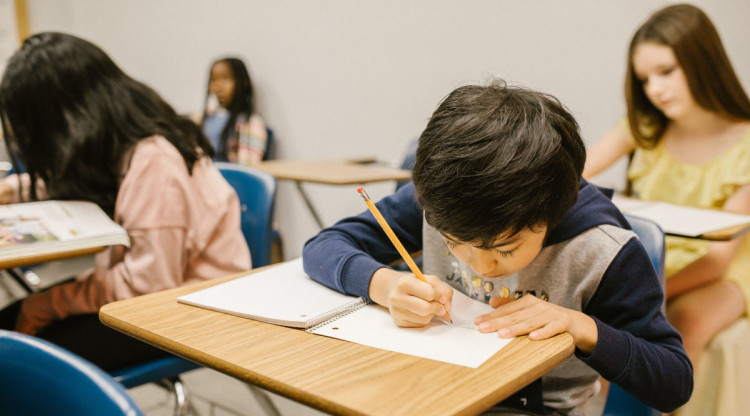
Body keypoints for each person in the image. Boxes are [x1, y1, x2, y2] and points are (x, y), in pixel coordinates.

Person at [302, 80, 693, 414]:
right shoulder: (441, 203)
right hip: (434, 383)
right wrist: (384, 285)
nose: (481, 267)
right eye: (455, 244)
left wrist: (582, 327)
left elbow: (674, 380)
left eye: (505, 249)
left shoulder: (602, 248)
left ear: (552, 213)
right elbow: (324, 246)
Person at [0, 32, 251, 372]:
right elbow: (79, 178)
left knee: (19, 362)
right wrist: (11, 190)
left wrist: (47, 304)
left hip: (187, 310)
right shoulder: (120, 141)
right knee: (11, 325)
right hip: (155, 290)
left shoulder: (154, 161)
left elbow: (147, 287)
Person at [583, 3, 750, 374]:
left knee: (686, 320)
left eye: (666, 72)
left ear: (703, 61)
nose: (655, 89)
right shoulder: (643, 127)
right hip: (654, 261)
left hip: (726, 272)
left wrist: (648, 292)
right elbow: (577, 170)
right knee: (610, 328)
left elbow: (719, 261)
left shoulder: (746, 143)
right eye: (645, 79)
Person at [198, 57, 268, 165]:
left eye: (225, 78)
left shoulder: (251, 123)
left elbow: (247, 169)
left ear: (244, 83)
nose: (218, 86)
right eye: (213, 79)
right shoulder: (203, 119)